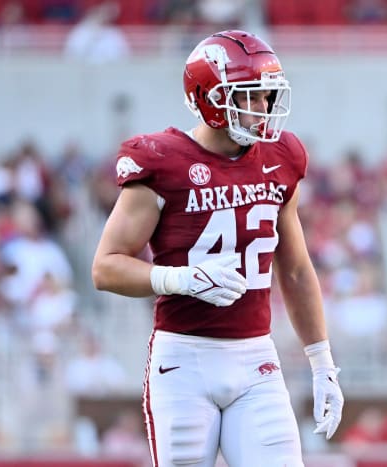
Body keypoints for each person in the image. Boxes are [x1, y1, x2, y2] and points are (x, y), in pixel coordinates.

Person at [91, 30, 344, 466]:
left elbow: (298, 270)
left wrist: (322, 362)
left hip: (256, 358)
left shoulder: (279, 159)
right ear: (210, 98)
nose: (264, 109)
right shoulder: (164, 161)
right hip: (184, 362)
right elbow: (106, 267)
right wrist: (178, 279)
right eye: (251, 97)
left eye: (267, 96)